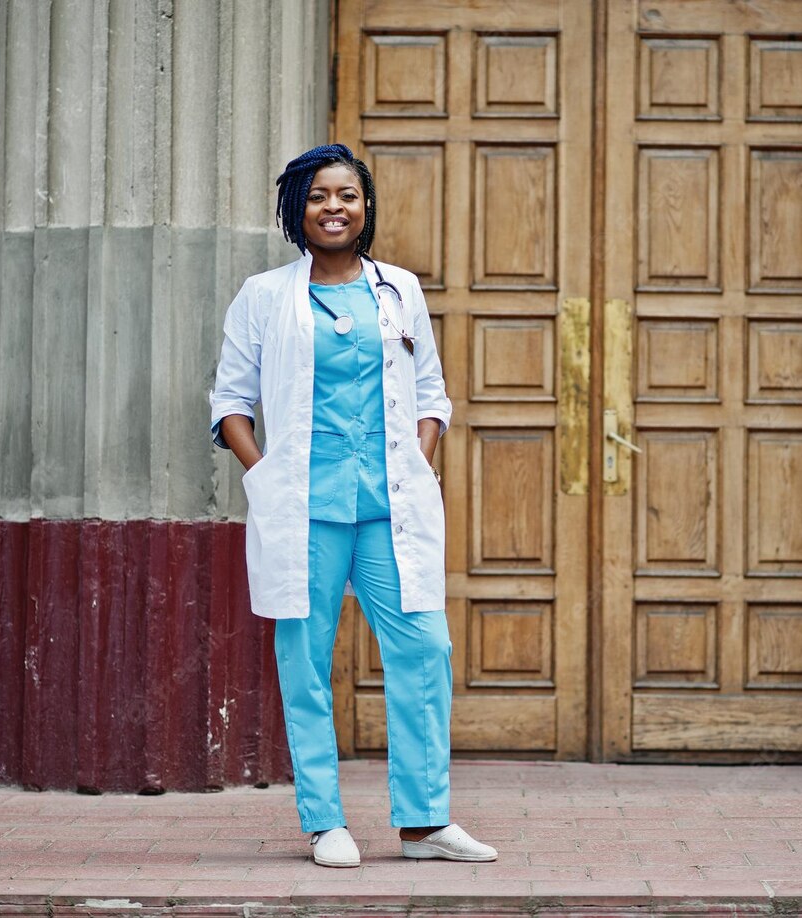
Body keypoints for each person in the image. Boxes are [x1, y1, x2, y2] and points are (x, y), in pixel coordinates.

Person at [208, 144, 497, 868]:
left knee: (424, 650)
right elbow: (229, 403)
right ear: (295, 210)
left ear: (365, 209)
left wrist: (417, 460)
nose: (333, 207)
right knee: (304, 662)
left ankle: (424, 823)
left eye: (347, 196)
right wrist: (266, 474)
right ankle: (323, 820)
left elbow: (430, 392)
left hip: (388, 508)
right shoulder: (265, 296)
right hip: (302, 508)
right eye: (317, 196)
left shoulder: (398, 290)